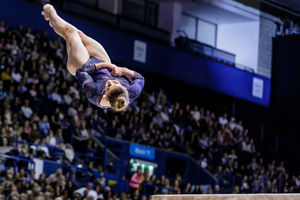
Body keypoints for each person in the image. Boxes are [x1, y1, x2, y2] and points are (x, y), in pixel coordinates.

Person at [42, 4, 144, 111]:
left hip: (83, 66)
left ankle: (51, 14)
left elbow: (81, 72)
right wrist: (122, 70)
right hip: (104, 63)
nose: (112, 81)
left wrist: (105, 65)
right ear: (124, 89)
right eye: (116, 83)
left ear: (106, 98)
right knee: (79, 34)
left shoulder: (95, 95)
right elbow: (140, 78)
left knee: (70, 32)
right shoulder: (130, 92)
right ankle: (54, 22)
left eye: (109, 86)